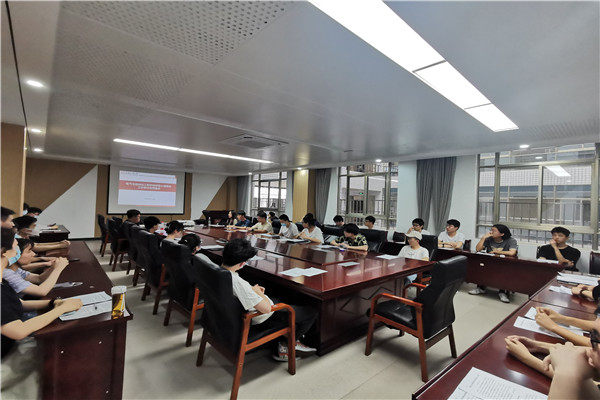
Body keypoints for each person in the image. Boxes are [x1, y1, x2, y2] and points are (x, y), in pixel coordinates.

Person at [1, 228, 82, 396]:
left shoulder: (3, 280)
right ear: (3, 252)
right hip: (6, 359)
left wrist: (53, 303)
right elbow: (18, 330)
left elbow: (19, 303)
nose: (17, 248)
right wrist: (63, 308)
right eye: (15, 244)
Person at [219, 239, 317, 361]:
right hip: (261, 317)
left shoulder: (219, 272)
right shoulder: (238, 283)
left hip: (237, 314)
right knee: (311, 312)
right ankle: (286, 346)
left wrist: (252, 290)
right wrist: (259, 293)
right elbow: (266, 309)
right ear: (242, 263)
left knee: (283, 295)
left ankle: (289, 338)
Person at [3, 239, 69, 297]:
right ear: (15, 254)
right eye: (29, 251)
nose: (33, 254)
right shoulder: (6, 273)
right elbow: (41, 291)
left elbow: (39, 278)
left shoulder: (16, 269)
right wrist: (58, 269)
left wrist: (53, 267)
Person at [470, 224, 518, 303]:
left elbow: (512, 252)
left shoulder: (511, 240)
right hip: (490, 262)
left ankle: (502, 292)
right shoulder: (489, 239)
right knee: (480, 266)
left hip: (504, 264)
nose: (491, 232)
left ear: (502, 234)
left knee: (504, 271)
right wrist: (483, 238)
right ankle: (480, 288)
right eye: (491, 230)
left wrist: (496, 251)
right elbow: (478, 249)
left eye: (494, 231)